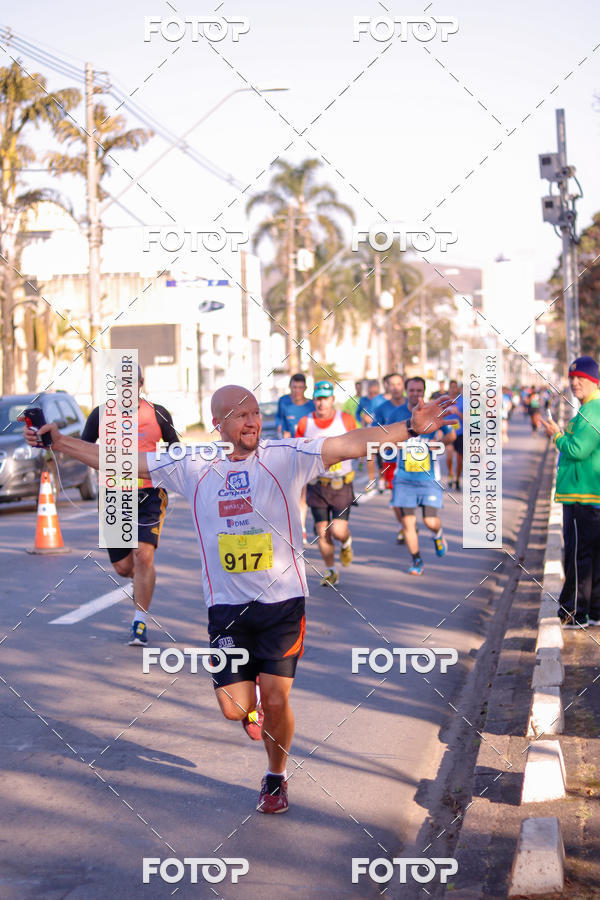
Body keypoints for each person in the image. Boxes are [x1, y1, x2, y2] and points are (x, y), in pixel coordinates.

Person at [23, 383, 452, 814]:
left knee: (278, 697)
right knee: (234, 709)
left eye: (254, 413)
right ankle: (253, 715)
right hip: (226, 610)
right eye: (239, 414)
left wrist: (410, 428)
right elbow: (120, 461)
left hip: (282, 604)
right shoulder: (193, 464)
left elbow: (350, 443)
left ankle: (275, 776)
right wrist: (58, 442)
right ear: (219, 424)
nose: (251, 421)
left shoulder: (285, 455)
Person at [81, 366, 178, 645]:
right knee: (124, 567)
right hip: (114, 496)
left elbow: (176, 448)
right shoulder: (101, 414)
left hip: (149, 493)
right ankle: (145, 578)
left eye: (131, 383)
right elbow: (83, 447)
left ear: (140, 384)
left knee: (143, 555)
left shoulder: (157, 413)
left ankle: (139, 621)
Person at [541, 356, 600, 629]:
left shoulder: (592, 411)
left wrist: (556, 435)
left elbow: (577, 450)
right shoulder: (590, 409)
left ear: (593, 381)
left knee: (578, 555)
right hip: (586, 493)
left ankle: (575, 612)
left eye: (581, 378)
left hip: (582, 494)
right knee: (592, 555)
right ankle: (595, 610)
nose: (574, 382)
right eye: (572, 377)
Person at [390, 377, 454, 575]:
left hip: (428, 478)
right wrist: (395, 443)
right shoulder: (396, 414)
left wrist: (439, 440)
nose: (415, 394)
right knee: (407, 521)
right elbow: (385, 438)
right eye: (412, 390)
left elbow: (451, 435)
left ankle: (438, 534)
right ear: (406, 391)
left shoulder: (433, 412)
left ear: (424, 392)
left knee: (429, 521)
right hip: (404, 477)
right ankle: (416, 560)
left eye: (419, 390)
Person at [296, 381, 357, 586]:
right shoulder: (305, 423)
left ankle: (346, 543)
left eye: (325, 398)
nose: (321, 403)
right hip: (317, 485)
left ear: (332, 399)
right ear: (314, 400)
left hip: (341, 485)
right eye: (318, 399)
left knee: (338, 531)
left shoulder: (345, 420)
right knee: (323, 531)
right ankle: (331, 571)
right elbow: (297, 450)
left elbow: (358, 443)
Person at [275, 373, 315, 544]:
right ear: (290, 387)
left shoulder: (312, 405)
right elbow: (281, 424)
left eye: (300, 388)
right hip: (289, 450)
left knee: (302, 490)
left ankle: (302, 527)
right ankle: (289, 525)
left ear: (305, 388)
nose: (297, 391)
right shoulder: (283, 402)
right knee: (288, 490)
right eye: (294, 387)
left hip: (307, 451)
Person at [356, 379, 386, 488]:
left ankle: (382, 481)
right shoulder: (364, 400)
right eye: (370, 392)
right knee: (370, 456)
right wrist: (362, 420)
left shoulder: (381, 400)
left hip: (381, 433)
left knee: (382, 458)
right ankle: (371, 480)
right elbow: (360, 413)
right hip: (369, 433)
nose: (372, 395)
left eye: (375, 393)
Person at [444, 380, 463, 490]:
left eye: (454, 387)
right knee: (449, 456)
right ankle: (451, 473)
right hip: (448, 432)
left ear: (457, 389)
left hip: (460, 433)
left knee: (460, 459)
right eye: (451, 387)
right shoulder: (444, 400)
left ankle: (457, 478)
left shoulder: (463, 401)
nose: (452, 389)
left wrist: (458, 413)